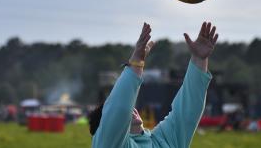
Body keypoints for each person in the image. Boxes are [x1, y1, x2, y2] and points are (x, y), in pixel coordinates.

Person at [89, 21, 218, 148]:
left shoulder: (163, 141)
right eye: (108, 113)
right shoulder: (107, 143)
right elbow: (119, 107)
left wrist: (199, 60)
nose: (131, 109)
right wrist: (136, 63)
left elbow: (187, 112)